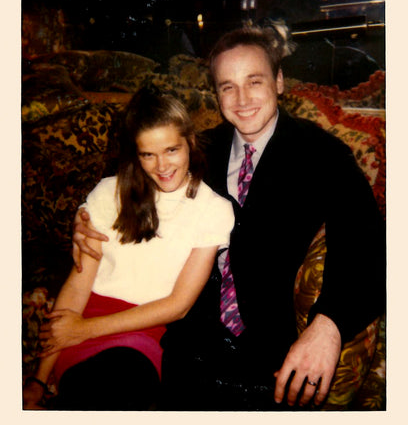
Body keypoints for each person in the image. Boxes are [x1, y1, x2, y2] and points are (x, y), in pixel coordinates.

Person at [72, 25, 386, 410]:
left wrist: (329, 325)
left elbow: (368, 242)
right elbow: (131, 174)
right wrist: (84, 218)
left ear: (280, 81)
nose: (241, 99)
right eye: (227, 86)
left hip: (270, 360)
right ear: (215, 93)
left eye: (254, 81)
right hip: (185, 348)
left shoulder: (322, 153)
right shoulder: (201, 150)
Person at [22, 89, 234, 410]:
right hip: (87, 324)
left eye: (171, 149)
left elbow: (178, 306)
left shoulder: (214, 209)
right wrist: (38, 380)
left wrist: (85, 330)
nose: (161, 166)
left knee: (126, 378)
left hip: (144, 331)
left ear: (190, 141)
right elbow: (78, 285)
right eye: (147, 154)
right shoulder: (109, 193)